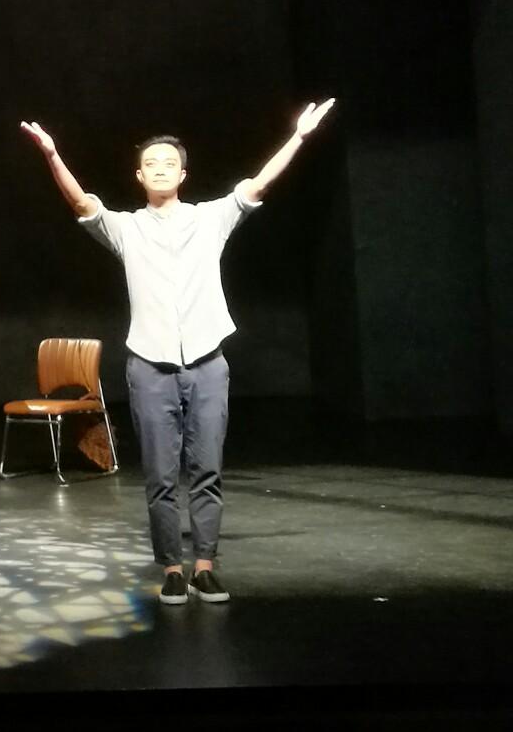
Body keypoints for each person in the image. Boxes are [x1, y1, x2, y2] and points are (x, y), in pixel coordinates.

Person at [20, 100, 335, 605]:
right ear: (139, 175)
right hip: (149, 365)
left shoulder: (211, 219)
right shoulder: (127, 228)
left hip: (208, 364)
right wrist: (54, 156)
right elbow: (82, 204)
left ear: (183, 174)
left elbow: (258, 185)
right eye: (152, 163)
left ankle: (205, 566)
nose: (161, 168)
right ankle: (171, 567)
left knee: (207, 470)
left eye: (170, 163)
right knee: (161, 476)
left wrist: (297, 137)